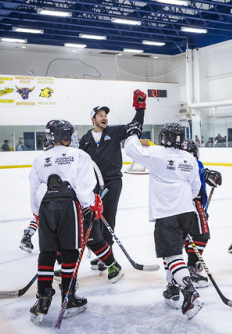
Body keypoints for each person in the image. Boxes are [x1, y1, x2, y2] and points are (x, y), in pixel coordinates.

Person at [125, 120, 204, 320]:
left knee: (172, 256)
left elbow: (131, 149)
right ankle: (172, 289)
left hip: (167, 212)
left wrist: (133, 132)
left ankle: (189, 292)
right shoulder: (189, 157)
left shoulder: (156, 154)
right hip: (187, 212)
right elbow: (195, 188)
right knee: (174, 253)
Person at [28, 119, 103, 324]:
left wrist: (37, 212)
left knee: (48, 251)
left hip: (45, 206)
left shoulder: (40, 158)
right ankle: (68, 299)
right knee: (70, 250)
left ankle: (43, 298)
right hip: (69, 206)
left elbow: (34, 189)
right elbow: (85, 185)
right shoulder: (79, 155)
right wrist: (90, 205)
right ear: (66, 136)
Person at [78, 90, 146, 271]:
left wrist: (140, 108)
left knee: (108, 218)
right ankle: (103, 253)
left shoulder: (115, 132)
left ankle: (105, 257)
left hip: (112, 182)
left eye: (106, 115)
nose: (104, 117)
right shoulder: (84, 140)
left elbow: (135, 125)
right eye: (100, 115)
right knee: (94, 220)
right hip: (92, 186)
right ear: (93, 119)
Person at [181, 139, 222, 288]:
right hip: (193, 203)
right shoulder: (195, 164)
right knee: (202, 234)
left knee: (187, 235)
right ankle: (192, 267)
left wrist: (207, 174)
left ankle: (182, 270)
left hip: (177, 205)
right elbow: (194, 174)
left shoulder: (176, 162)